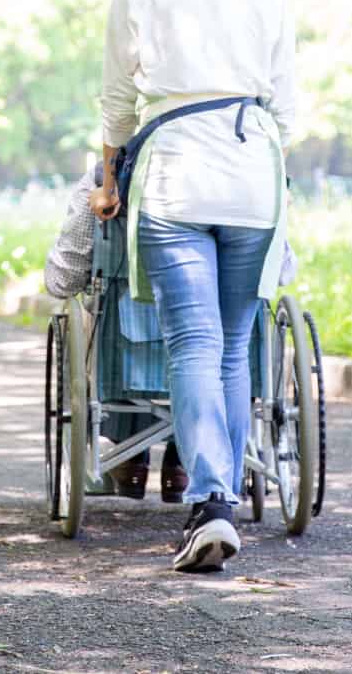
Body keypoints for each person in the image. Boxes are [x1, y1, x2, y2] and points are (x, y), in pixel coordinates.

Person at [93, 0, 295, 574]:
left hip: (176, 176)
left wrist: (109, 177)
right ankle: (224, 494)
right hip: (251, 176)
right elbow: (286, 107)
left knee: (193, 342)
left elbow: (118, 104)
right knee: (235, 344)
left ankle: (210, 501)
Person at [43, 161, 296, 504]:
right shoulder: (257, 175)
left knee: (104, 322)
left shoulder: (107, 181)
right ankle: (184, 462)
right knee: (229, 341)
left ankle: (130, 454)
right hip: (231, 329)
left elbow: (62, 280)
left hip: (131, 348)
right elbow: (282, 272)